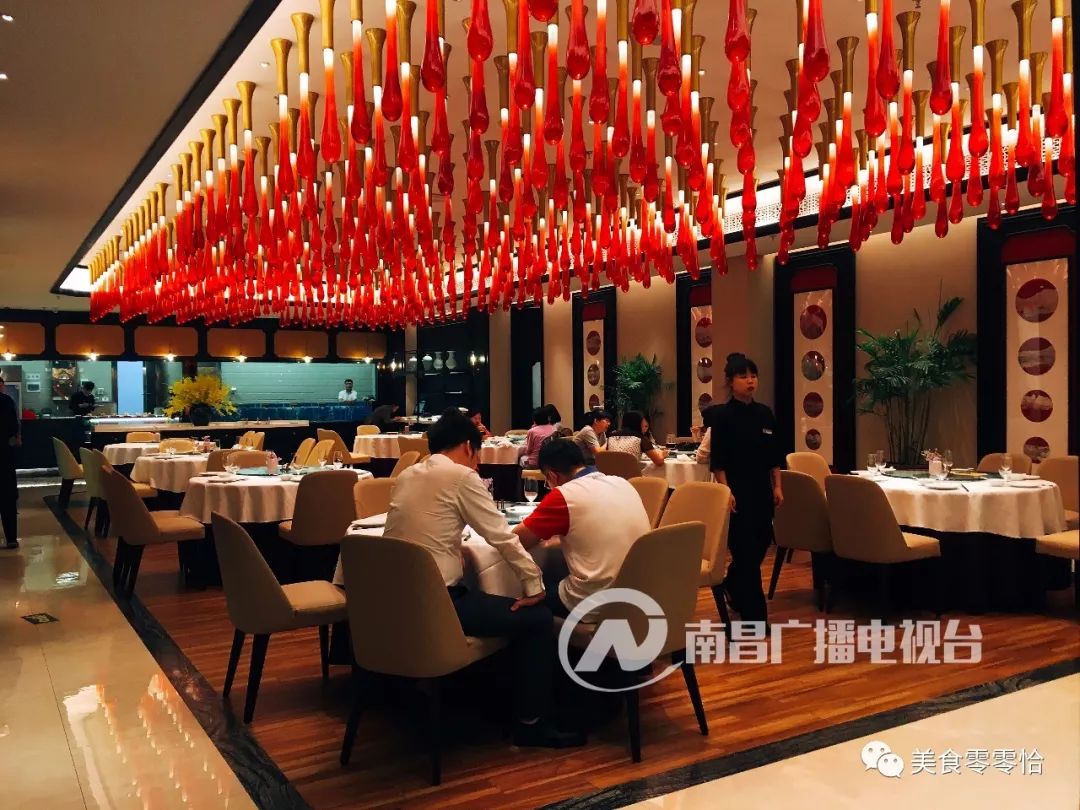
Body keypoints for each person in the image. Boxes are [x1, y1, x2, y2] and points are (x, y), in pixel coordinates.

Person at [384, 410, 583, 748]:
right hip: (439, 605)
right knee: (537, 618)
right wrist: (534, 585)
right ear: (467, 446)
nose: (476, 463)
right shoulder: (461, 476)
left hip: (394, 602)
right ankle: (530, 723)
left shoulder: (407, 475)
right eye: (476, 454)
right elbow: (501, 537)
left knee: (495, 603)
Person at [514, 439, 649, 618]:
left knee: (523, 601)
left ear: (552, 476)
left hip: (596, 600)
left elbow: (516, 540)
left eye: (547, 481)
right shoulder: (622, 482)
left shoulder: (563, 495)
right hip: (642, 589)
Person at [706, 353, 783, 625]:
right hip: (736, 492)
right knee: (745, 551)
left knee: (761, 543)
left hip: (762, 490)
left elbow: (774, 455)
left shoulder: (765, 414)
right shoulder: (723, 416)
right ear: (731, 381)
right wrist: (726, 492)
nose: (750, 381)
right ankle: (755, 617)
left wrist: (778, 486)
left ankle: (731, 585)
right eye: (743, 376)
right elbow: (718, 461)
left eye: (753, 376)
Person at [0, 375, 20, 549]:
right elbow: (14, 426)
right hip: (4, 454)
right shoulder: (6, 401)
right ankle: (11, 538)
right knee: (7, 496)